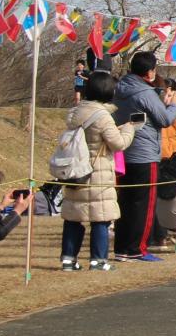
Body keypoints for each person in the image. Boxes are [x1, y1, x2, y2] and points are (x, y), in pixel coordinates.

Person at [59, 70, 142, 272]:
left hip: (75, 171)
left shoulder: (75, 112)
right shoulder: (103, 116)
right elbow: (118, 143)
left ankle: (69, 260)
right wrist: (130, 128)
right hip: (98, 172)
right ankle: (99, 260)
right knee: (101, 217)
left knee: (73, 216)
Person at [113, 51, 176, 263]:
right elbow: (164, 119)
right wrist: (175, 105)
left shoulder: (120, 89)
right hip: (144, 154)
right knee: (143, 204)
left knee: (125, 203)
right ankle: (137, 248)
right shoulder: (145, 93)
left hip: (124, 152)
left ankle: (122, 247)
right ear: (150, 72)